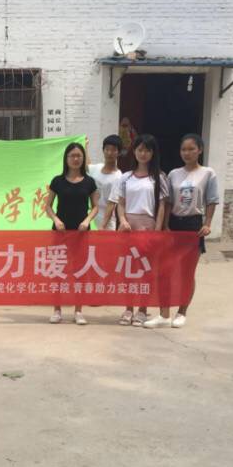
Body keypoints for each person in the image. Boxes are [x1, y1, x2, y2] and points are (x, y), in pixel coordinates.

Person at [108, 134, 170, 327]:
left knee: (145, 270)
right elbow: (120, 203)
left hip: (148, 226)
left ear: (153, 153)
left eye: (147, 150)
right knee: (128, 270)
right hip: (128, 227)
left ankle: (142, 310)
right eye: (140, 149)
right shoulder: (126, 177)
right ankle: (128, 308)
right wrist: (123, 220)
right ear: (134, 151)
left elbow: (162, 206)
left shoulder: (159, 177)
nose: (143, 154)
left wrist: (157, 230)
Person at [164, 134, 219, 328]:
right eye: (183, 149)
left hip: (193, 225)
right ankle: (164, 312)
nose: (186, 153)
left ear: (200, 150)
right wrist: (165, 224)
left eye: (191, 149)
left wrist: (208, 223)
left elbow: (212, 200)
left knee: (186, 271)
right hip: (174, 224)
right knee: (168, 269)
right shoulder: (173, 174)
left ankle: (182, 311)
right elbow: (168, 202)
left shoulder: (208, 173)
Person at [45, 142, 99, 325]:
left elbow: (95, 207)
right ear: (66, 159)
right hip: (60, 233)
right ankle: (57, 310)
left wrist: (87, 221)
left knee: (80, 272)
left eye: (79, 156)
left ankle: (78, 311)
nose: (75, 159)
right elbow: (48, 206)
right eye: (72, 156)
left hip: (81, 233)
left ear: (83, 158)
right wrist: (56, 220)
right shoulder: (57, 181)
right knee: (58, 271)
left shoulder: (89, 182)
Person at [88, 134, 123, 230]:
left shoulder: (119, 176)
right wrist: (85, 146)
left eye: (113, 150)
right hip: (91, 216)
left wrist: (103, 225)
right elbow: (87, 167)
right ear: (103, 150)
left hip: (107, 221)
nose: (109, 153)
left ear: (119, 152)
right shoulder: (97, 167)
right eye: (107, 149)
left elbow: (112, 203)